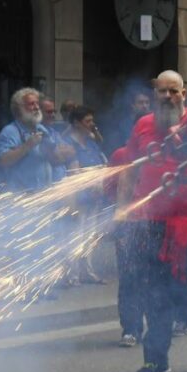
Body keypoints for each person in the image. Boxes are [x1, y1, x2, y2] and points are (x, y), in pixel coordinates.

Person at [113, 70, 187, 372]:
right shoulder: (142, 125)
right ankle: (155, 358)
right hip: (150, 223)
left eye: (173, 91)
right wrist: (122, 210)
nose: (167, 96)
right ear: (155, 95)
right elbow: (129, 170)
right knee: (154, 291)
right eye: (161, 91)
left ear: (183, 93)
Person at [111, 91, 152, 347]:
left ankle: (162, 327)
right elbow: (113, 187)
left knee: (156, 277)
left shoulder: (164, 155)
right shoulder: (122, 154)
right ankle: (131, 328)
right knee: (129, 277)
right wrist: (119, 216)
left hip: (158, 221)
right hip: (130, 223)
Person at [58, 105, 108, 285]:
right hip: (79, 197)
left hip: (94, 195)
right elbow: (73, 172)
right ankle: (72, 274)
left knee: (90, 235)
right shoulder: (69, 144)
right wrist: (88, 186)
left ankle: (87, 270)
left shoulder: (91, 142)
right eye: (88, 121)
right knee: (75, 235)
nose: (91, 124)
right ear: (77, 123)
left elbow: (101, 164)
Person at [0, 87, 74, 193]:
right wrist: (27, 146)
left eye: (37, 104)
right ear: (19, 109)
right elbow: (2, 161)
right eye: (31, 104)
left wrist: (51, 150)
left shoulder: (41, 129)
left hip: (43, 194)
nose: (36, 107)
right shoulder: (10, 132)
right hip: (21, 197)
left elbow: (58, 159)